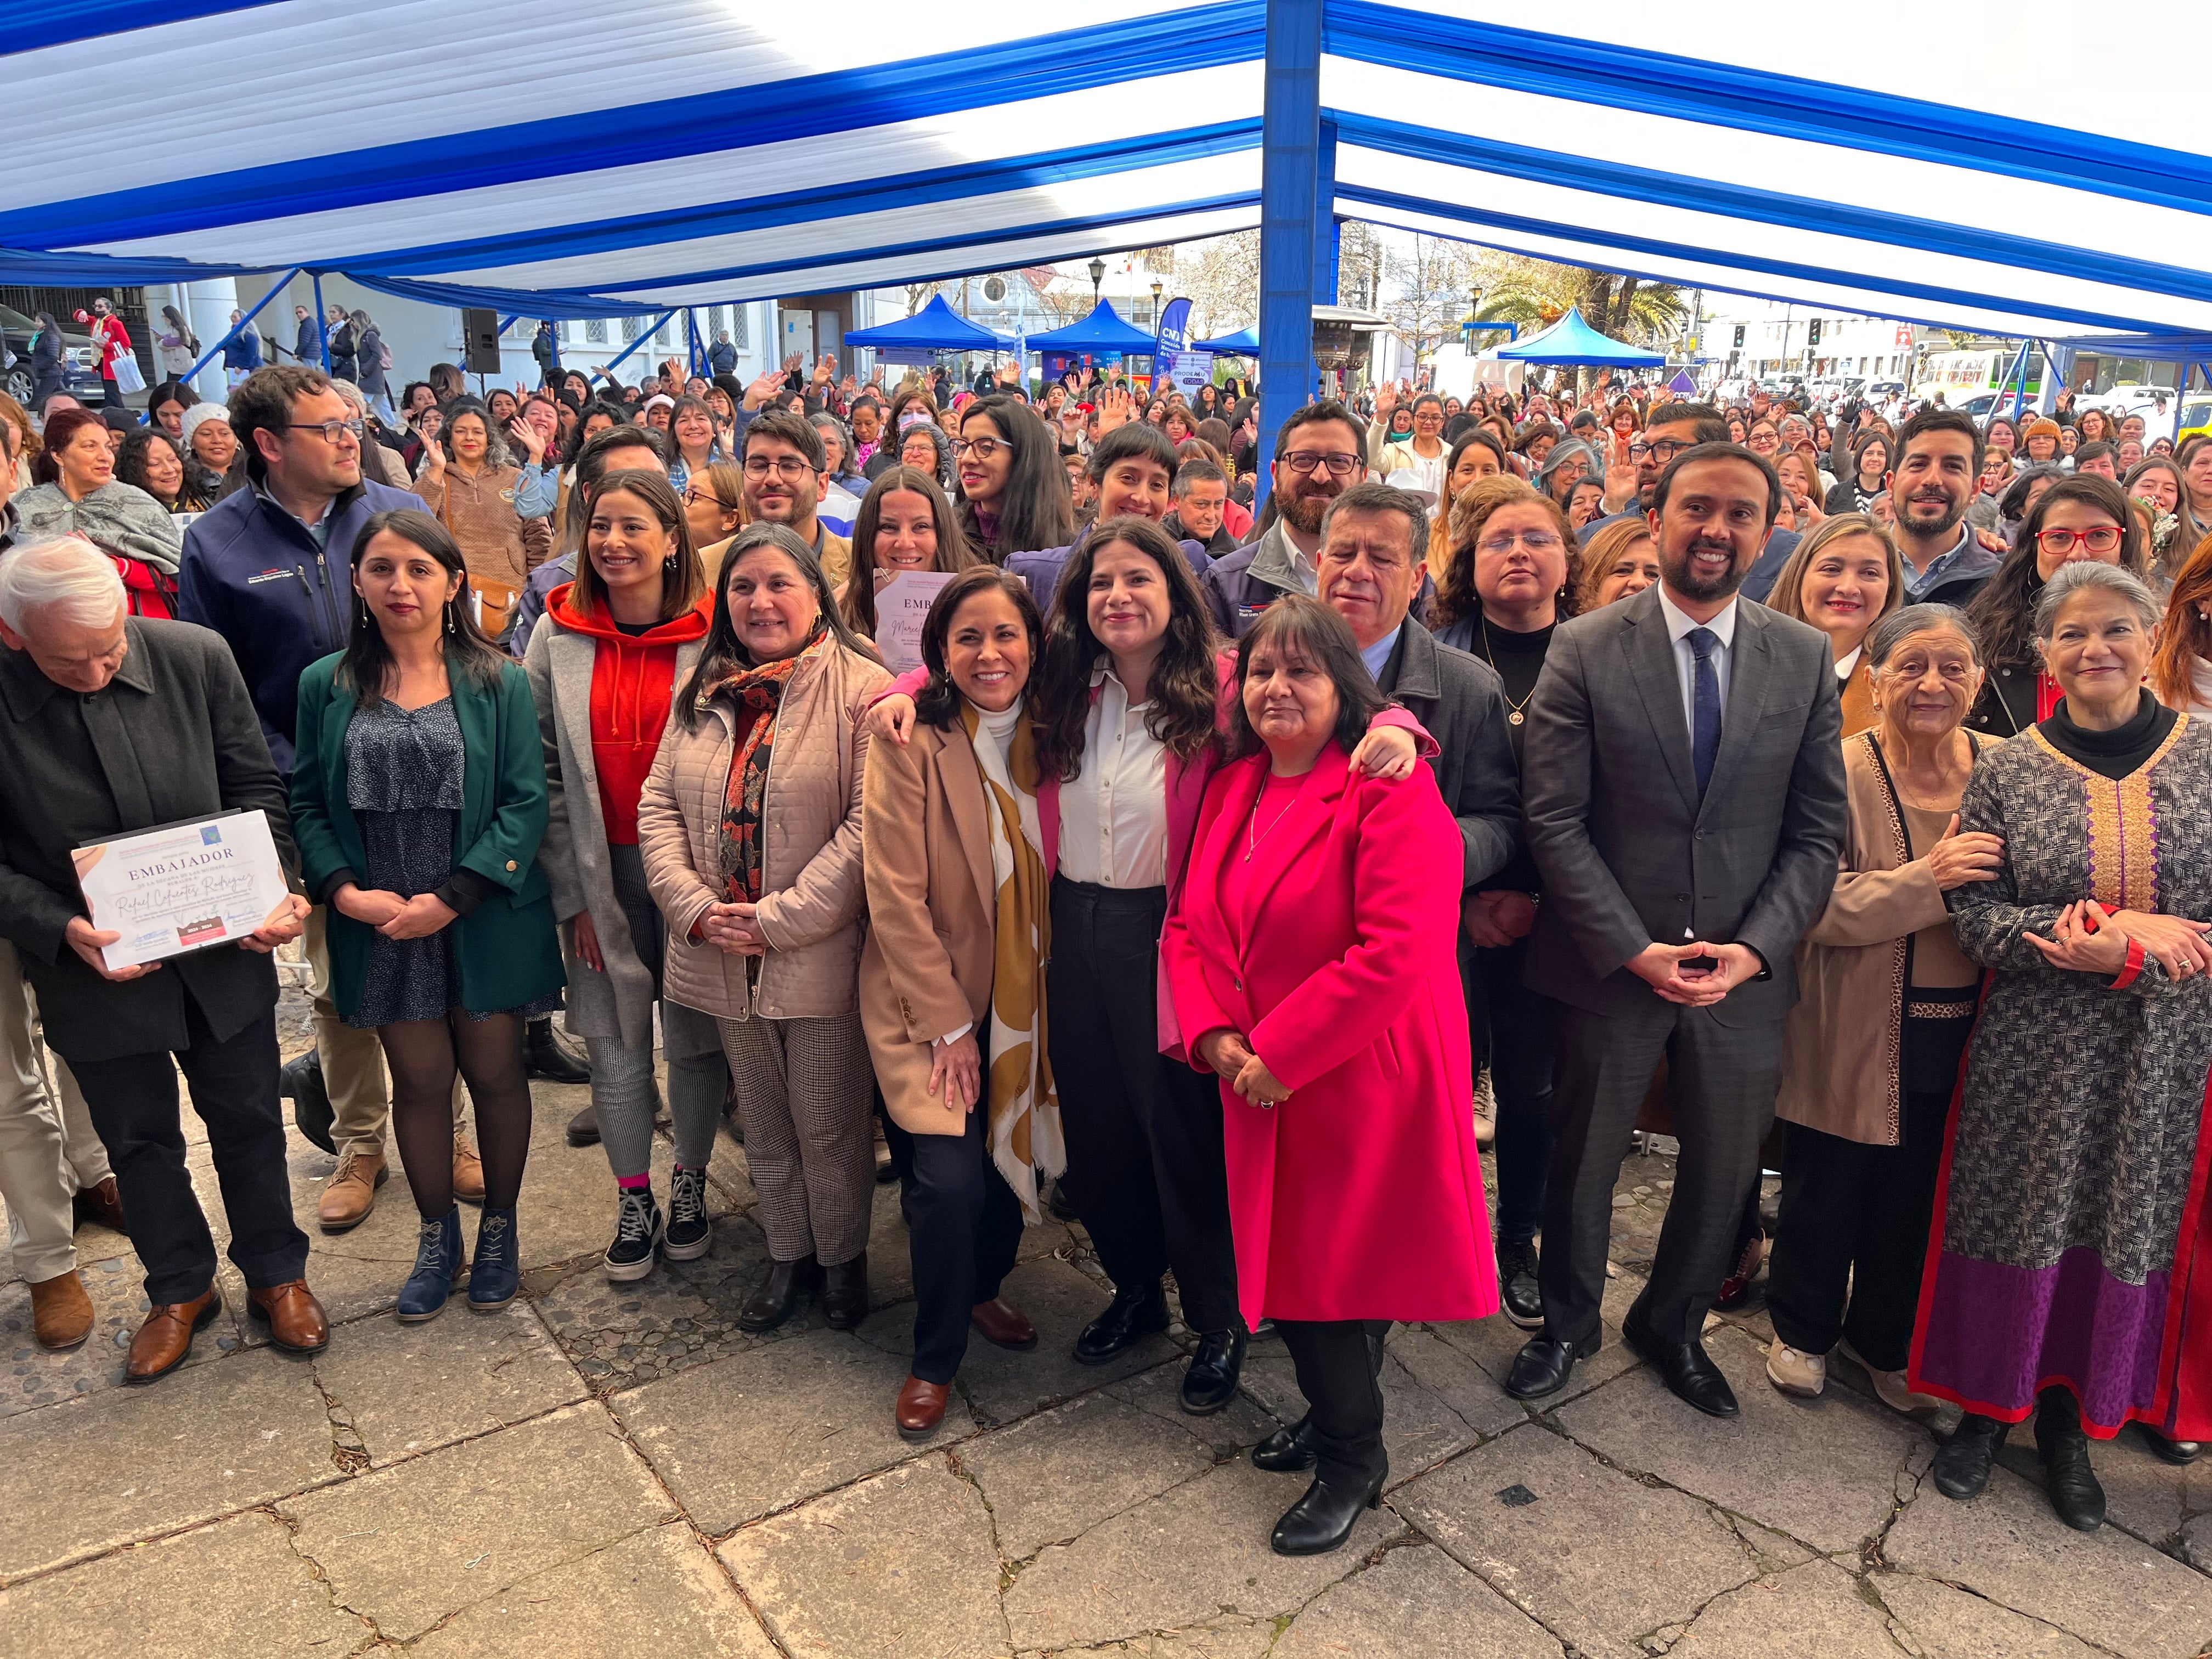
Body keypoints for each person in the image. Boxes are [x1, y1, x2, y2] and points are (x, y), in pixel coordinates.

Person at [1508, 442, 1848, 1418]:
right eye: (1697, 508)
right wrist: (1632, 946)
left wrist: (1752, 949)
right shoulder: (1584, 645)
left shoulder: (1799, 655)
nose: (1716, 529)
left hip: (1744, 970)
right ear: (1655, 516)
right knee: (1583, 1156)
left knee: (1724, 1166)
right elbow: (1555, 819)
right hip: (1609, 964)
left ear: (1767, 531)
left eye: (1741, 513)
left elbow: (1816, 828)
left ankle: (1673, 1322)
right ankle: (1567, 1322)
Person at [1163, 594, 1495, 1555]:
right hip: (1259, 1073)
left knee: (1322, 1286)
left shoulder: (1387, 789)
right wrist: (1219, 1038)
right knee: (1318, 1272)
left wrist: (1281, 1054)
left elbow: (1398, 949)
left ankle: (1353, 1458)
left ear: (1345, 688)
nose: (1276, 687)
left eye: (1302, 670)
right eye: (1262, 669)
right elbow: (1186, 923)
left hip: (1358, 1078)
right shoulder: (1234, 787)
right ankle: (1332, 1418)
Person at [1921, 561, 2212, 1524]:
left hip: (2162, 1049)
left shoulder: (2205, 751)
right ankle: (1981, 1406)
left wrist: (2133, 954)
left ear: (2149, 636)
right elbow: (1976, 915)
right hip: (2033, 1045)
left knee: (2122, 1217)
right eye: (2073, 633)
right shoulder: (2007, 765)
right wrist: (2111, 938)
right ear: (2044, 651)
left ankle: (2069, 1418)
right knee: (2015, 1210)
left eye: (2117, 629)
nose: (2096, 650)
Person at [0, 536, 324, 1378]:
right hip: (93, 969)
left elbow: (256, 787)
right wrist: (57, 926)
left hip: (222, 957)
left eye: (114, 647)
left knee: (251, 1119)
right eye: (75, 663)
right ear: (15, 638)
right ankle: (178, 1286)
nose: (104, 672)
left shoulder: (192, 655)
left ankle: (276, 1273)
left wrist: (272, 886)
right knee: (137, 1140)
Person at [176, 365, 489, 1227]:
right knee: (338, 976)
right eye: (329, 427)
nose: (353, 436)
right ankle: (360, 1140)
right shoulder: (218, 544)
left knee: (441, 963)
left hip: (427, 781)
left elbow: (457, 643)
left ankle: (455, 1128)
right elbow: (216, 689)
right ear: (270, 444)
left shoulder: (397, 513)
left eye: (352, 420)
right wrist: (288, 782)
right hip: (299, 793)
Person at [290, 510, 561, 1319]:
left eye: (418, 569)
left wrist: (452, 898)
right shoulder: (325, 683)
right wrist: (342, 890)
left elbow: (524, 803)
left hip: (477, 910)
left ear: (452, 582)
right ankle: (437, 1236)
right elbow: (307, 801)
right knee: (419, 1082)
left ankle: (502, 1230)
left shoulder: (499, 680)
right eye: (381, 569)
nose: (399, 585)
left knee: (496, 1074)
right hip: (379, 914)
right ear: (357, 582)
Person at [638, 521, 888, 1322]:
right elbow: (657, 809)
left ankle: (844, 1260)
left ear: (818, 594)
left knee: (831, 1121)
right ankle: (788, 1255)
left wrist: (780, 919)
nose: (760, 601)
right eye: (743, 587)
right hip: (722, 952)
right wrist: (695, 910)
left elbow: (869, 823)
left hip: (817, 949)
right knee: (767, 1125)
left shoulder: (859, 685)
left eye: (780, 582)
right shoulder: (704, 690)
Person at [1763, 604, 1993, 1413]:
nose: (1932, 684)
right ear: (1875, 677)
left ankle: (1884, 1341)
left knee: (1919, 1199)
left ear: (1982, 677)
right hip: (1850, 1020)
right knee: (1827, 1185)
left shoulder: (2006, 770)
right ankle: (1802, 1330)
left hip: (1968, 1031)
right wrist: (1932, 881)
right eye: (1912, 667)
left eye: (1953, 666)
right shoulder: (1836, 767)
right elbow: (1814, 903)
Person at [859, 567, 1051, 1438]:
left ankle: (982, 1290)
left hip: (1035, 998)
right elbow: (893, 894)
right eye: (966, 637)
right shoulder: (910, 739)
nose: (989, 653)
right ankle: (933, 1357)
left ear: (1035, 644)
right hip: (926, 998)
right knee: (945, 1182)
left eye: (1006, 634)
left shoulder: (1059, 732)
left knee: (1014, 1173)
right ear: (938, 652)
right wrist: (947, 1025)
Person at [524, 470, 729, 1283]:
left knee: (696, 1038)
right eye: (599, 525)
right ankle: (634, 1195)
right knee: (610, 1038)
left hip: (692, 870)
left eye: (634, 526)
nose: (613, 541)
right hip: (595, 869)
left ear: (672, 538)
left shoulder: (713, 634)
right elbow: (539, 766)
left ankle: (691, 1184)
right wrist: (571, 894)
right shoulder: (556, 634)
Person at [1423, 476, 1579, 1323]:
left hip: (1553, 919)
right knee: (1442, 1084)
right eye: (1496, 541)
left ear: (1567, 559)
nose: (1518, 553)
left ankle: (1517, 1234)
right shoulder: (1433, 652)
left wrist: (1538, 903)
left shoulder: (1599, 653)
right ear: (1467, 562)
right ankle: (1433, 1236)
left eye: (1537, 538)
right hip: (1446, 912)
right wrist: (1465, 903)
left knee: (1530, 1090)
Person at [1963, 474, 2136, 739]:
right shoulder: (1983, 635)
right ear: (2035, 547)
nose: (2079, 553)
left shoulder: (2164, 640)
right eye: (2059, 537)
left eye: (2100, 535)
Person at [1201, 401, 1364, 637]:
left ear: (1363, 478)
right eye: (1303, 460)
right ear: (1275, 475)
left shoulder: (1397, 583)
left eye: (1339, 461)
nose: (1320, 476)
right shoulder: (1225, 584)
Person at [13, 408, 184, 617]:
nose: (105, 457)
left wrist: (115, 566)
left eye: (108, 447)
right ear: (58, 454)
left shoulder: (137, 503)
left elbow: (178, 575)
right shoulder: (26, 504)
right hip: (43, 626)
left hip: (133, 629)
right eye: (90, 447)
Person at [415, 398, 554, 641]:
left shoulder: (515, 477)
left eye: (477, 432)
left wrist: (535, 589)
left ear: (489, 437)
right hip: (455, 596)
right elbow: (413, 522)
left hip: (513, 597)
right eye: (461, 431)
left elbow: (539, 537)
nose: (470, 438)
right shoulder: (437, 477)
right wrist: (435, 470)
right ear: (448, 437)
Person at [1758, 515, 1906, 736]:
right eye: (1831, 569)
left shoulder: (1904, 683)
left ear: (1890, 588)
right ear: (1799, 575)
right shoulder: (1745, 662)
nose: (1848, 588)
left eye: (1870, 573)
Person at [837, 466, 978, 639]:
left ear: (943, 533)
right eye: (889, 527)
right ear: (867, 535)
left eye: (921, 527)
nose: (904, 543)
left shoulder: (979, 602)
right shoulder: (839, 613)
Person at [1886, 409, 2004, 605]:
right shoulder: (1847, 567)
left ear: (1975, 490)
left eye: (1953, 466)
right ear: (1891, 484)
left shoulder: (2005, 582)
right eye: (1918, 464)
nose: (1932, 480)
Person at [740, 409, 852, 589]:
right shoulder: (705, 570)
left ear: (821, 486)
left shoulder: (861, 570)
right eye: (759, 466)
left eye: (790, 466)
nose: (772, 479)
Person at [954, 394, 1073, 562]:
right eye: (963, 446)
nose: (967, 459)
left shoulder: (1067, 553)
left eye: (986, 447)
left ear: (1022, 456)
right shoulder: (945, 536)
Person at [116, 428, 213, 517]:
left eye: (173, 459)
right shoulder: (131, 516)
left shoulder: (206, 492)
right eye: (155, 464)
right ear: (133, 471)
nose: (170, 469)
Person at [1573, 517, 1662, 611]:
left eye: (1652, 574)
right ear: (1591, 581)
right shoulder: (1568, 625)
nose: (1639, 582)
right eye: (1623, 571)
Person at [1162, 458, 1234, 556]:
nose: (1211, 516)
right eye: (1201, 504)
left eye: (1218, 504)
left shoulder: (1239, 558)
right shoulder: (1151, 543)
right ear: (1177, 500)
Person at [179, 403, 245, 505]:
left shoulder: (256, 472)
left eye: (224, 434)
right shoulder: (181, 480)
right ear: (192, 442)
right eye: (206, 434)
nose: (217, 440)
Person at [80, 298, 133, 409]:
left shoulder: (114, 323)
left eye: (100, 306)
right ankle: (112, 410)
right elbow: (80, 318)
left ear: (109, 309)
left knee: (112, 389)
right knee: (108, 388)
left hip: (112, 360)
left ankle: (118, 410)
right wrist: (81, 312)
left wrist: (106, 346)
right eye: (95, 306)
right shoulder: (96, 321)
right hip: (101, 360)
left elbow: (126, 343)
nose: (97, 309)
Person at [222, 308, 263, 391]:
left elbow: (251, 353)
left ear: (242, 319)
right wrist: (220, 346)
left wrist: (242, 367)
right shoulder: (233, 334)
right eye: (231, 317)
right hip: (233, 368)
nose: (232, 319)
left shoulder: (248, 335)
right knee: (233, 390)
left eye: (235, 317)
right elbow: (227, 344)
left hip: (245, 369)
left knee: (245, 391)